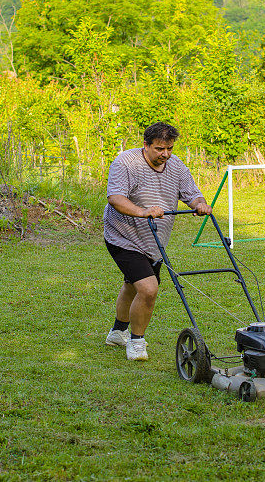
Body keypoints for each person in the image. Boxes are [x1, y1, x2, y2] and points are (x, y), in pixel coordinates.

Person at [103, 122, 212, 361]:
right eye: (160, 149)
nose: (165, 154)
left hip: (153, 240)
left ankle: (117, 333)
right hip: (123, 236)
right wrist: (143, 212)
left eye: (169, 149)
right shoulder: (125, 163)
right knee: (149, 289)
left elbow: (192, 193)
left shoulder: (176, 165)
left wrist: (200, 204)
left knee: (133, 285)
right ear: (146, 145)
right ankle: (137, 342)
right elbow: (115, 198)